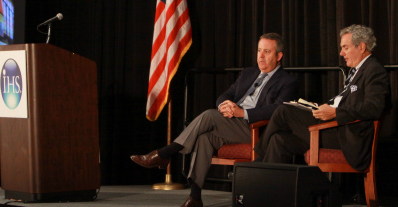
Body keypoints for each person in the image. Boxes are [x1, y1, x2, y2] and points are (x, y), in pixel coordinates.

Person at [131, 33, 299, 207]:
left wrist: (243, 113)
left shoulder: (287, 81)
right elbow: (227, 94)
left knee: (209, 115)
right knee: (204, 138)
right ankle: (195, 197)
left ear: (279, 56)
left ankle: (166, 153)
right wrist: (223, 106)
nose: (261, 56)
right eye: (258, 50)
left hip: (256, 129)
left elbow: (277, 110)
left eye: (266, 52)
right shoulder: (249, 73)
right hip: (230, 122)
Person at [254, 24, 390, 172]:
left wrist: (335, 113)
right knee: (278, 139)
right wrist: (319, 107)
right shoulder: (358, 71)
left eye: (345, 47)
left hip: (348, 137)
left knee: (283, 111)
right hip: (334, 127)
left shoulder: (374, 70)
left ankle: (256, 161)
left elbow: (374, 107)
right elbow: (344, 102)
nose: (341, 53)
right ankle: (270, 189)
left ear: (361, 47)